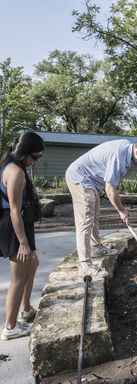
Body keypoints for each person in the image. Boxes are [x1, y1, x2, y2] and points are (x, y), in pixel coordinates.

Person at [66, 139, 137, 277]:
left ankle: (95, 248)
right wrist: (121, 211)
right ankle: (84, 264)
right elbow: (110, 189)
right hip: (80, 177)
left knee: (94, 214)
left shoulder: (126, 149)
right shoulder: (119, 157)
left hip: (90, 181)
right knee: (85, 220)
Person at [0, 131, 45, 341]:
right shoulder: (15, 172)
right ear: (24, 152)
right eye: (34, 157)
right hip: (15, 227)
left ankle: (25, 310)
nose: (36, 161)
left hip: (21, 225)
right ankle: (10, 327)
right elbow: (14, 211)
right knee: (18, 278)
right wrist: (23, 243)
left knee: (33, 264)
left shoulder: (12, 165)